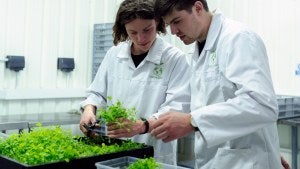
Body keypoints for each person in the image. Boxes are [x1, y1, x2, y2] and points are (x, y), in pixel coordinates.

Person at [151, 0, 282, 168]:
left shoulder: (237, 38)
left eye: (177, 21)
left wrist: (192, 121)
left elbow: (262, 104)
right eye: (169, 25)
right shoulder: (199, 49)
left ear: (198, 8)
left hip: (248, 161)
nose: (174, 31)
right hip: (219, 159)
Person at [79, 0, 190, 165]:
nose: (141, 38)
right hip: (115, 147)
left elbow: (176, 107)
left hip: (154, 148)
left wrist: (144, 125)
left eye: (147, 30)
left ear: (158, 22)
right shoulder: (114, 54)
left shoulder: (174, 58)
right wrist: (89, 110)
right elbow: (97, 92)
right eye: (133, 32)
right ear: (124, 29)